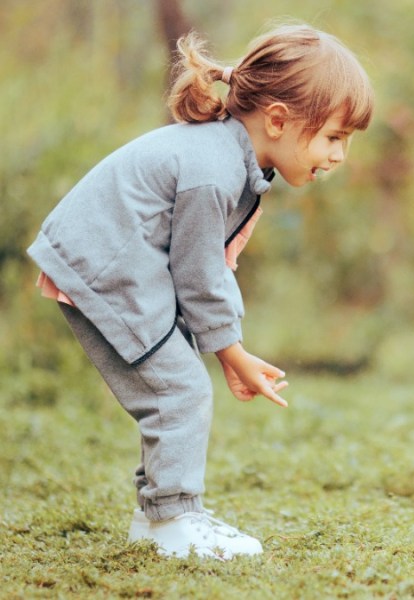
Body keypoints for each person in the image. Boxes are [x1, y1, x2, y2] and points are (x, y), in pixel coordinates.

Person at [26, 22, 374, 560]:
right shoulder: (211, 170)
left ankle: (159, 517)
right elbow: (199, 274)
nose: (339, 156)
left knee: (176, 385)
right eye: (334, 137)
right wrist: (231, 354)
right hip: (104, 266)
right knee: (179, 391)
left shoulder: (231, 160)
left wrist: (225, 350)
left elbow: (197, 268)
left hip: (117, 264)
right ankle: (172, 521)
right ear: (278, 120)